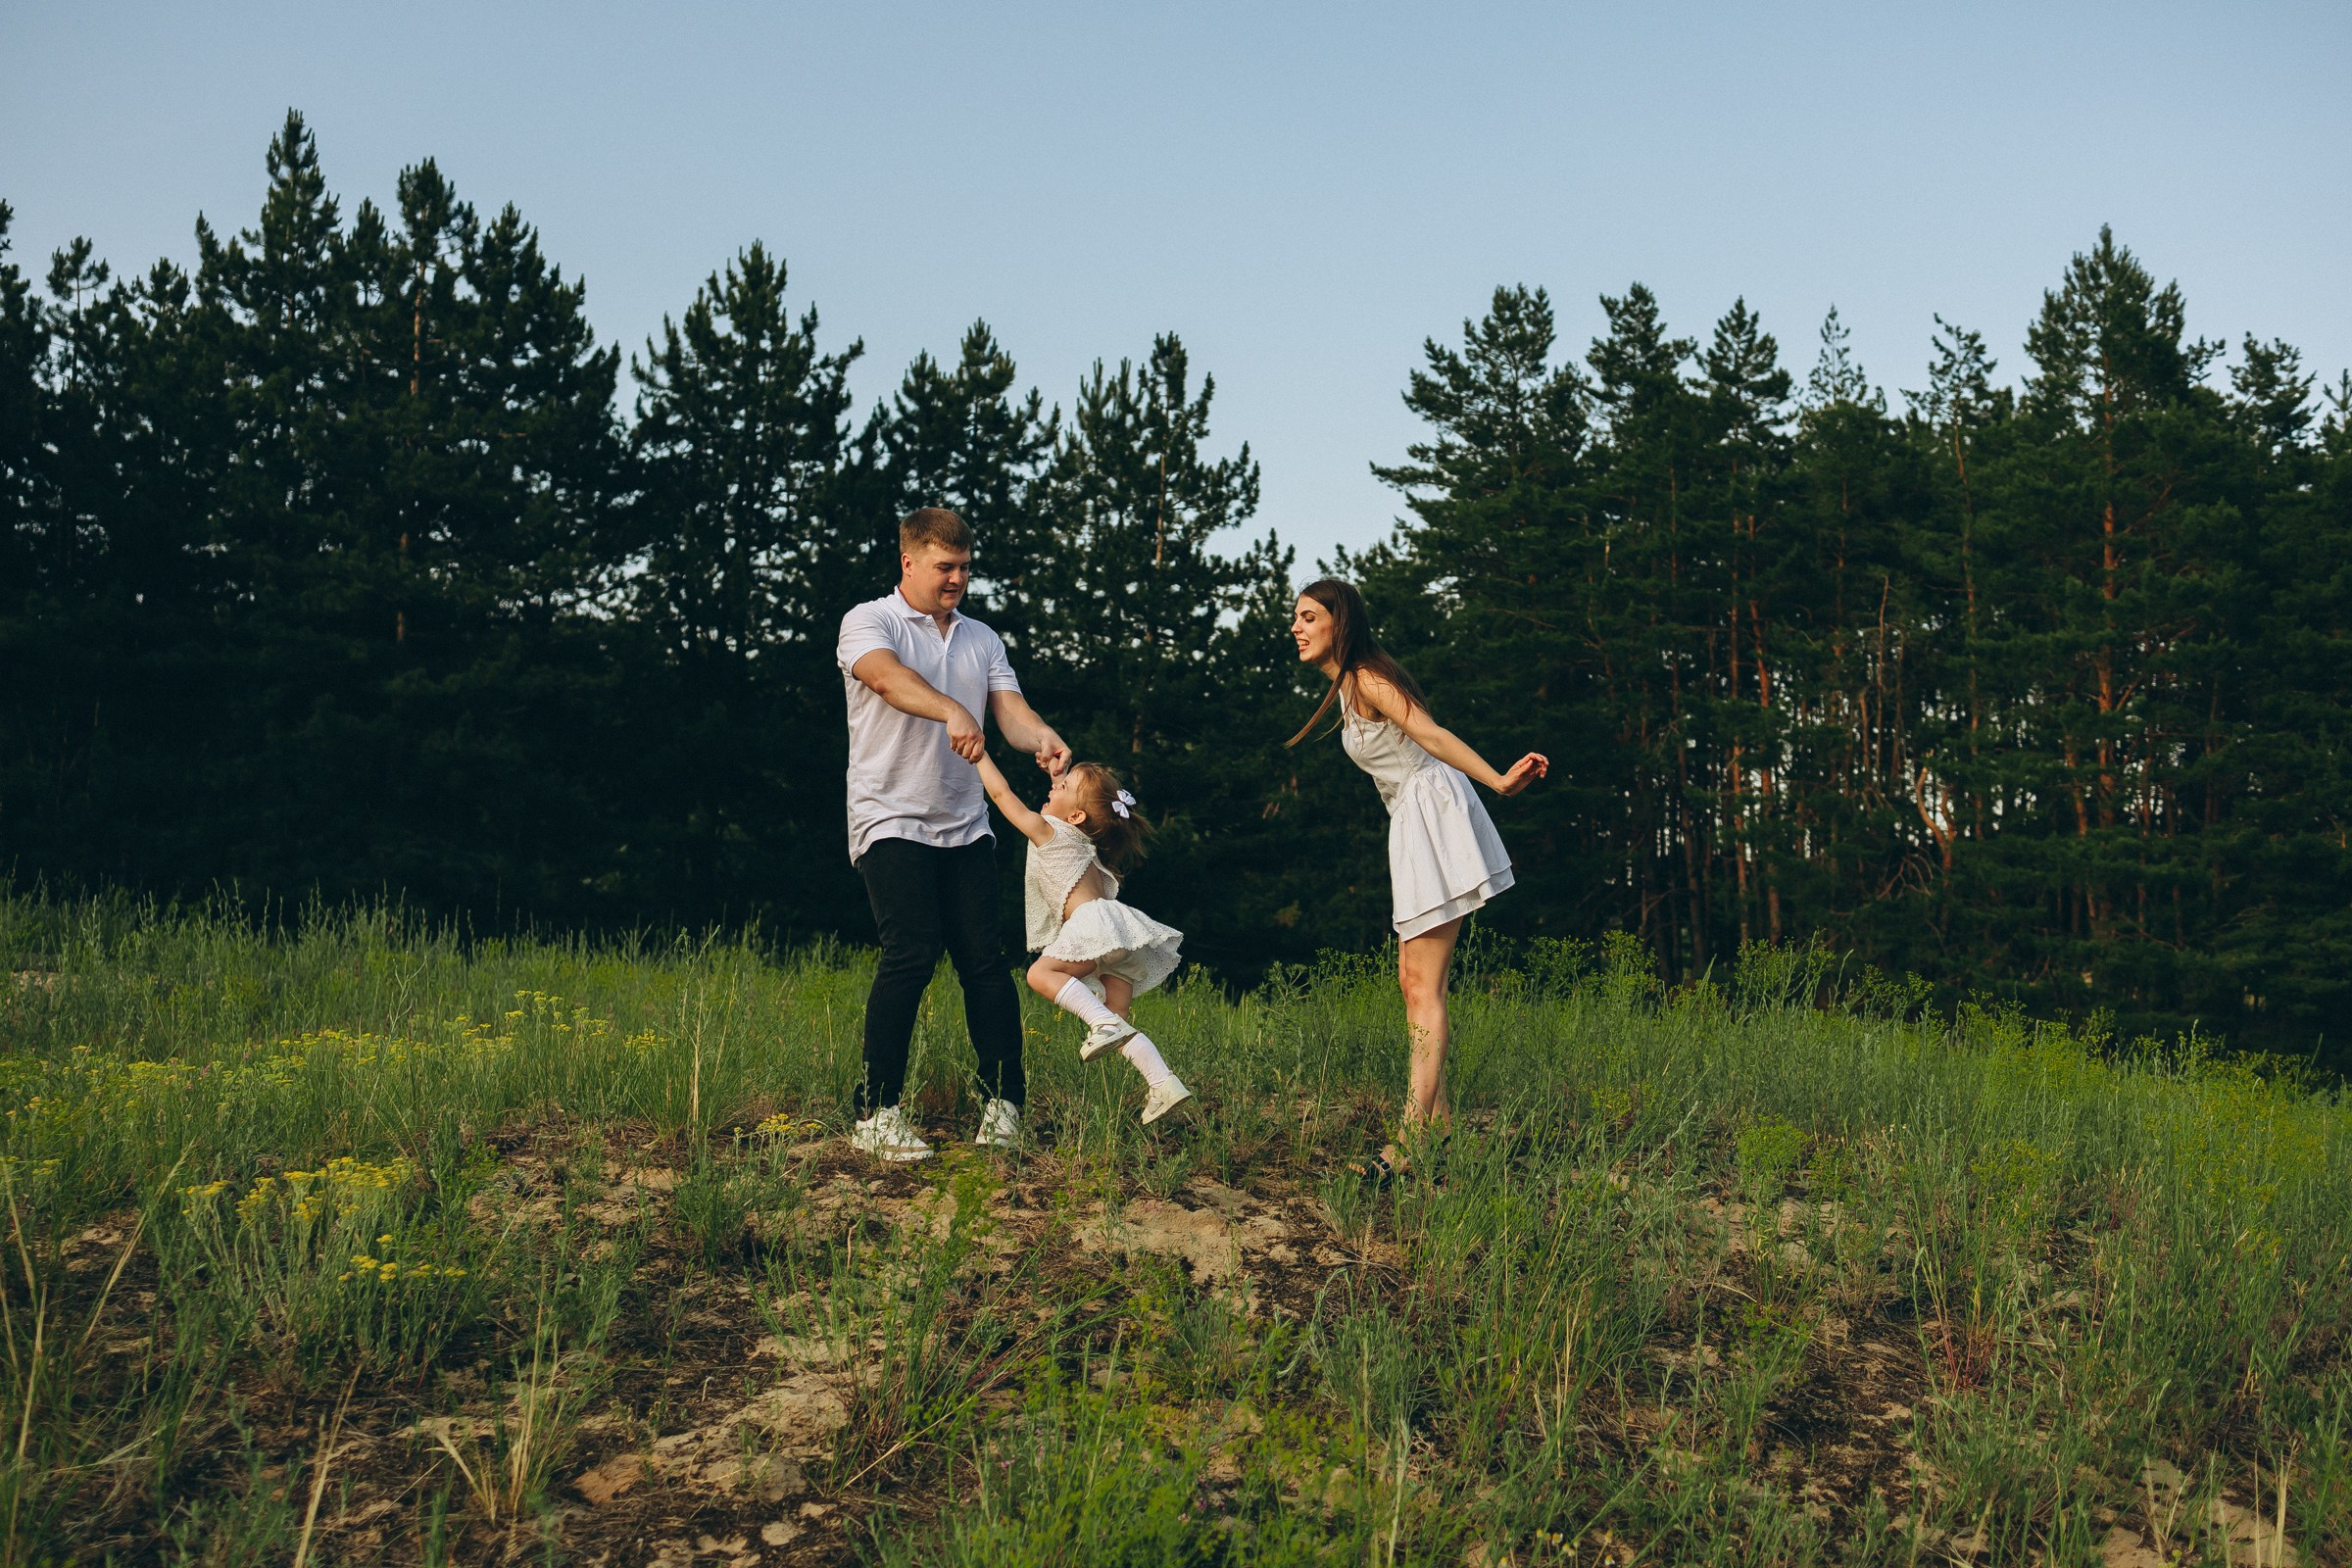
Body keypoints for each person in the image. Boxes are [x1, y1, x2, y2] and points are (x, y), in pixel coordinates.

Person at [1288, 578, 1546, 1178]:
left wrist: (1500, 782)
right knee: (1413, 982)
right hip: (1413, 818)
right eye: (1295, 619)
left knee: (1421, 987)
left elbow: (1429, 734)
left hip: (1432, 811)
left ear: (1339, 622)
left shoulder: (1366, 678)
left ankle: (1407, 1143)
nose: (1296, 628)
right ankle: (1442, 1129)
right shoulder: (1348, 689)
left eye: (1307, 617)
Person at [838, 507, 1070, 1161]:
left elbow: (1011, 713)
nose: (958, 579)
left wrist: (1042, 740)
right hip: (890, 815)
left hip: (966, 824)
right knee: (910, 952)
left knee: (985, 962)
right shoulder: (869, 622)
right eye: (946, 567)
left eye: (966, 568)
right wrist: (948, 707)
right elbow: (886, 678)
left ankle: (1004, 1104)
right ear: (908, 562)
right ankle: (876, 1113)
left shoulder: (980, 639)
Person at [973, 752, 1194, 1125]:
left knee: (1039, 976)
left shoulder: (1050, 831)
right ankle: (1162, 1082)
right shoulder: (1090, 850)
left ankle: (1101, 1024)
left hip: (1093, 927)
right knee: (1118, 1020)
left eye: (1062, 787)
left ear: (1075, 817)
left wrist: (978, 755)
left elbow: (1001, 795)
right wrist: (1060, 776)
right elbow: (1074, 801)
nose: (1053, 787)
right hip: (1120, 933)